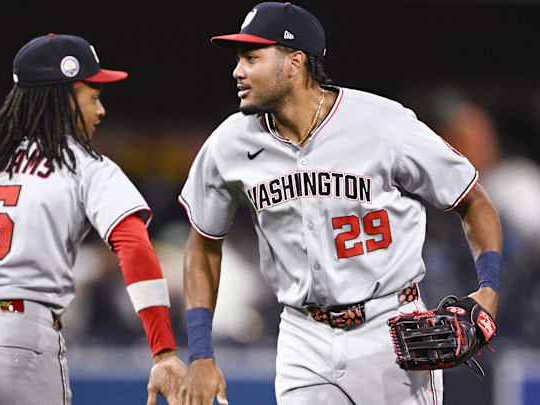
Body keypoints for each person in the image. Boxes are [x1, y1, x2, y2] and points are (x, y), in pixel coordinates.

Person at [178, 3, 502, 404]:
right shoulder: (229, 144)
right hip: (302, 335)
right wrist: (201, 354)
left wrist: (488, 289)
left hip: (390, 329)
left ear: (294, 63)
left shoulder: (384, 124)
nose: (237, 71)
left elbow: (473, 200)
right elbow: (203, 245)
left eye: (251, 57)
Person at [0, 33, 186, 405]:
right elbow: (134, 247)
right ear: (66, 96)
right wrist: (164, 352)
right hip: (18, 337)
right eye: (94, 96)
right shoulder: (85, 166)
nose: (101, 110)